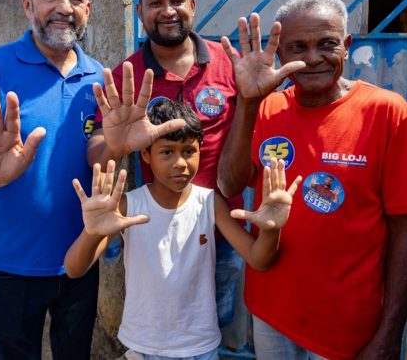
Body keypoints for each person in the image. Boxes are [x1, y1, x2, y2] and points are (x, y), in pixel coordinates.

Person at [0, 0, 185, 359]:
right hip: (10, 264)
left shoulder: (99, 79)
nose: (63, 7)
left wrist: (117, 144)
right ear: (27, 5)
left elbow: (97, 153)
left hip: (80, 258)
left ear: (88, 10)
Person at [217, 0, 407, 360]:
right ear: (281, 55)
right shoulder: (267, 108)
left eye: (327, 44)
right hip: (272, 312)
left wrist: (388, 335)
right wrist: (249, 103)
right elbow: (230, 184)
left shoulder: (389, 114)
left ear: (347, 46)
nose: (314, 57)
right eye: (298, 47)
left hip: (348, 326)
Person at [66, 100, 299, 359]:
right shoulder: (129, 205)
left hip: (200, 347)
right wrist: (92, 232)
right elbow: (75, 268)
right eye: (167, 152)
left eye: (188, 151)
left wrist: (270, 230)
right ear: (146, 155)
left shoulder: (210, 203)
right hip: (144, 347)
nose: (180, 163)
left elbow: (259, 259)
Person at [86, 0, 246, 337]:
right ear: (139, 12)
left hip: (222, 236)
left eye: (176, 0)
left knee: (215, 330)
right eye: (155, 2)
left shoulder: (230, 65)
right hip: (153, 238)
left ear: (192, 5)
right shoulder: (126, 75)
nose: (168, 10)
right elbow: (95, 153)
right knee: (162, 331)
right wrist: (114, 143)